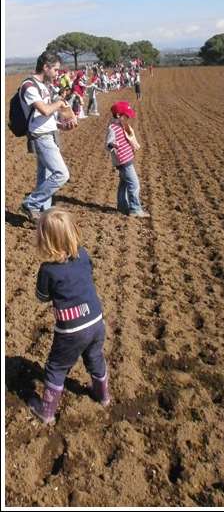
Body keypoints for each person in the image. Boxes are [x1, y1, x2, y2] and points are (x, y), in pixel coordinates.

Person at [28, 208, 110, 424]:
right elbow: (87, 274)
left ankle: (46, 412)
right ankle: (103, 396)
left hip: (71, 330)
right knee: (94, 357)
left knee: (56, 367)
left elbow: (42, 297)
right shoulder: (83, 254)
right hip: (96, 320)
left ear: (45, 241)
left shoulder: (47, 270)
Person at [19, 51, 75, 222]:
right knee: (61, 174)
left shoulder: (45, 86)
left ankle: (45, 214)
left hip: (50, 133)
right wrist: (59, 103)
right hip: (41, 137)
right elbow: (44, 109)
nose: (57, 73)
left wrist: (62, 126)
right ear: (45, 67)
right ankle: (31, 203)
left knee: (44, 177)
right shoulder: (29, 86)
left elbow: (46, 117)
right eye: (55, 70)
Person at [106, 101, 150, 217]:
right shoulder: (113, 128)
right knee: (134, 184)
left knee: (124, 183)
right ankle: (135, 209)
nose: (129, 117)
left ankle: (122, 206)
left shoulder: (121, 125)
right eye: (126, 115)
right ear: (118, 116)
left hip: (126, 159)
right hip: (123, 161)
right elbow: (108, 143)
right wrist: (112, 145)